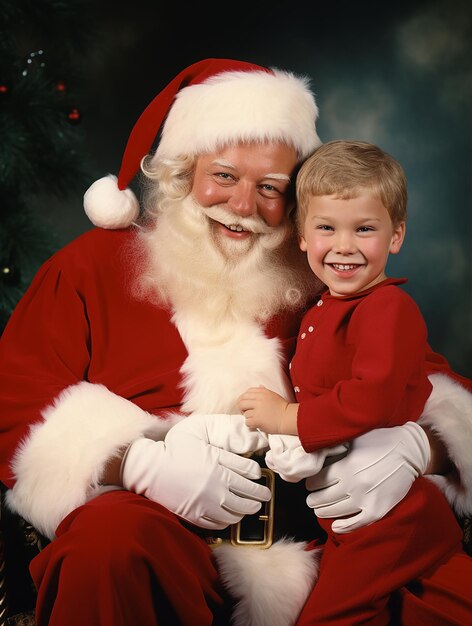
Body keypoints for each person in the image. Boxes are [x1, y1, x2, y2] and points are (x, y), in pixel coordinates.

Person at [1, 59, 471, 626]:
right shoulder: (87, 269)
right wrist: (136, 463)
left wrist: (422, 445)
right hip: (162, 537)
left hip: (318, 542)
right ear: (182, 171)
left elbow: (436, 391)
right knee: (105, 542)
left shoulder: (322, 274)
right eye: (224, 176)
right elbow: (16, 403)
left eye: (270, 188)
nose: (243, 206)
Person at [238, 139, 470, 625]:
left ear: (396, 236)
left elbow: (372, 398)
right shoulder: (322, 307)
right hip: (345, 512)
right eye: (326, 228)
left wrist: (288, 419)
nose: (344, 246)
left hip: (393, 514)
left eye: (364, 229)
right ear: (302, 235)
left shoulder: (389, 308)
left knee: (331, 615)